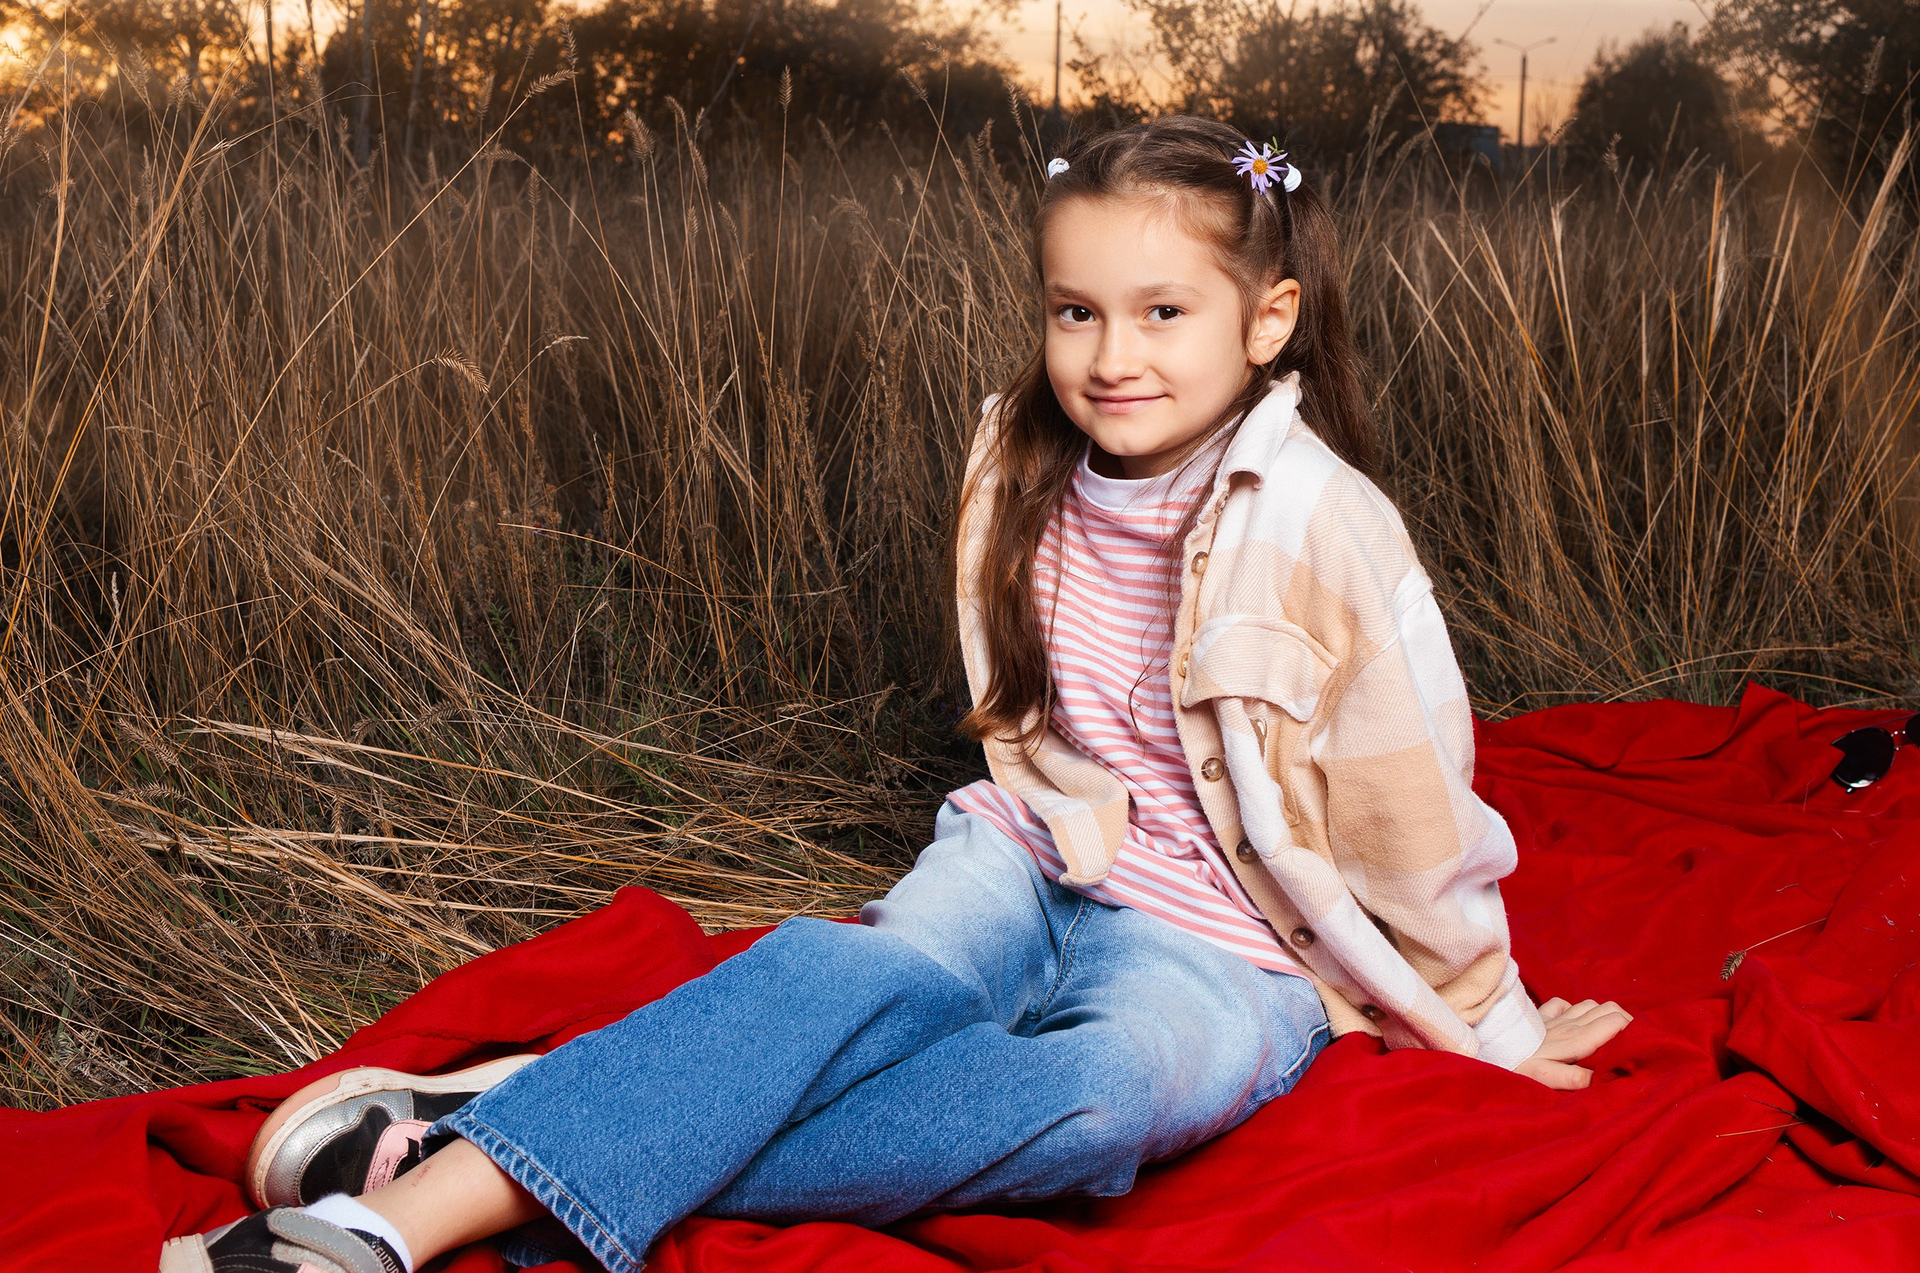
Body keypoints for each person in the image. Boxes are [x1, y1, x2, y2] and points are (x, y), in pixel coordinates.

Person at [161, 115, 1633, 1273]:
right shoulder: (1018, 461)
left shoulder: (1327, 528)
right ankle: (379, 1234)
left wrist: (1490, 1018)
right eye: (1075, 311)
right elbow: (1037, 728)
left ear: (1267, 319)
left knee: (1106, 1099)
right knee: (855, 978)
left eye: (1162, 312)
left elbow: (1406, 799)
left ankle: (506, 1129)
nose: (1112, 357)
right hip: (1040, 850)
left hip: (1232, 947)